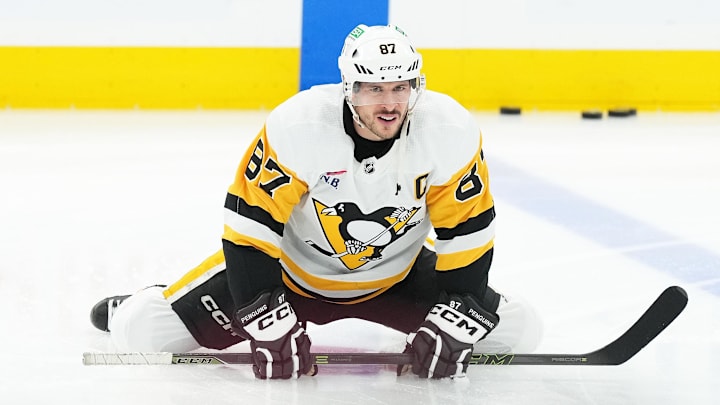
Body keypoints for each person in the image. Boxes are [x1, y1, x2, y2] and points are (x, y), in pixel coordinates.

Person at [90, 24, 543, 380]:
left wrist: (457, 314)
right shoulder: (299, 126)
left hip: (396, 280)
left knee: (521, 332)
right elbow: (250, 232)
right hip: (289, 279)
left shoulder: (448, 131)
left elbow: (468, 233)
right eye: (374, 89)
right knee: (142, 333)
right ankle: (142, 301)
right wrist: (264, 316)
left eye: (400, 87)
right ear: (349, 88)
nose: (389, 104)